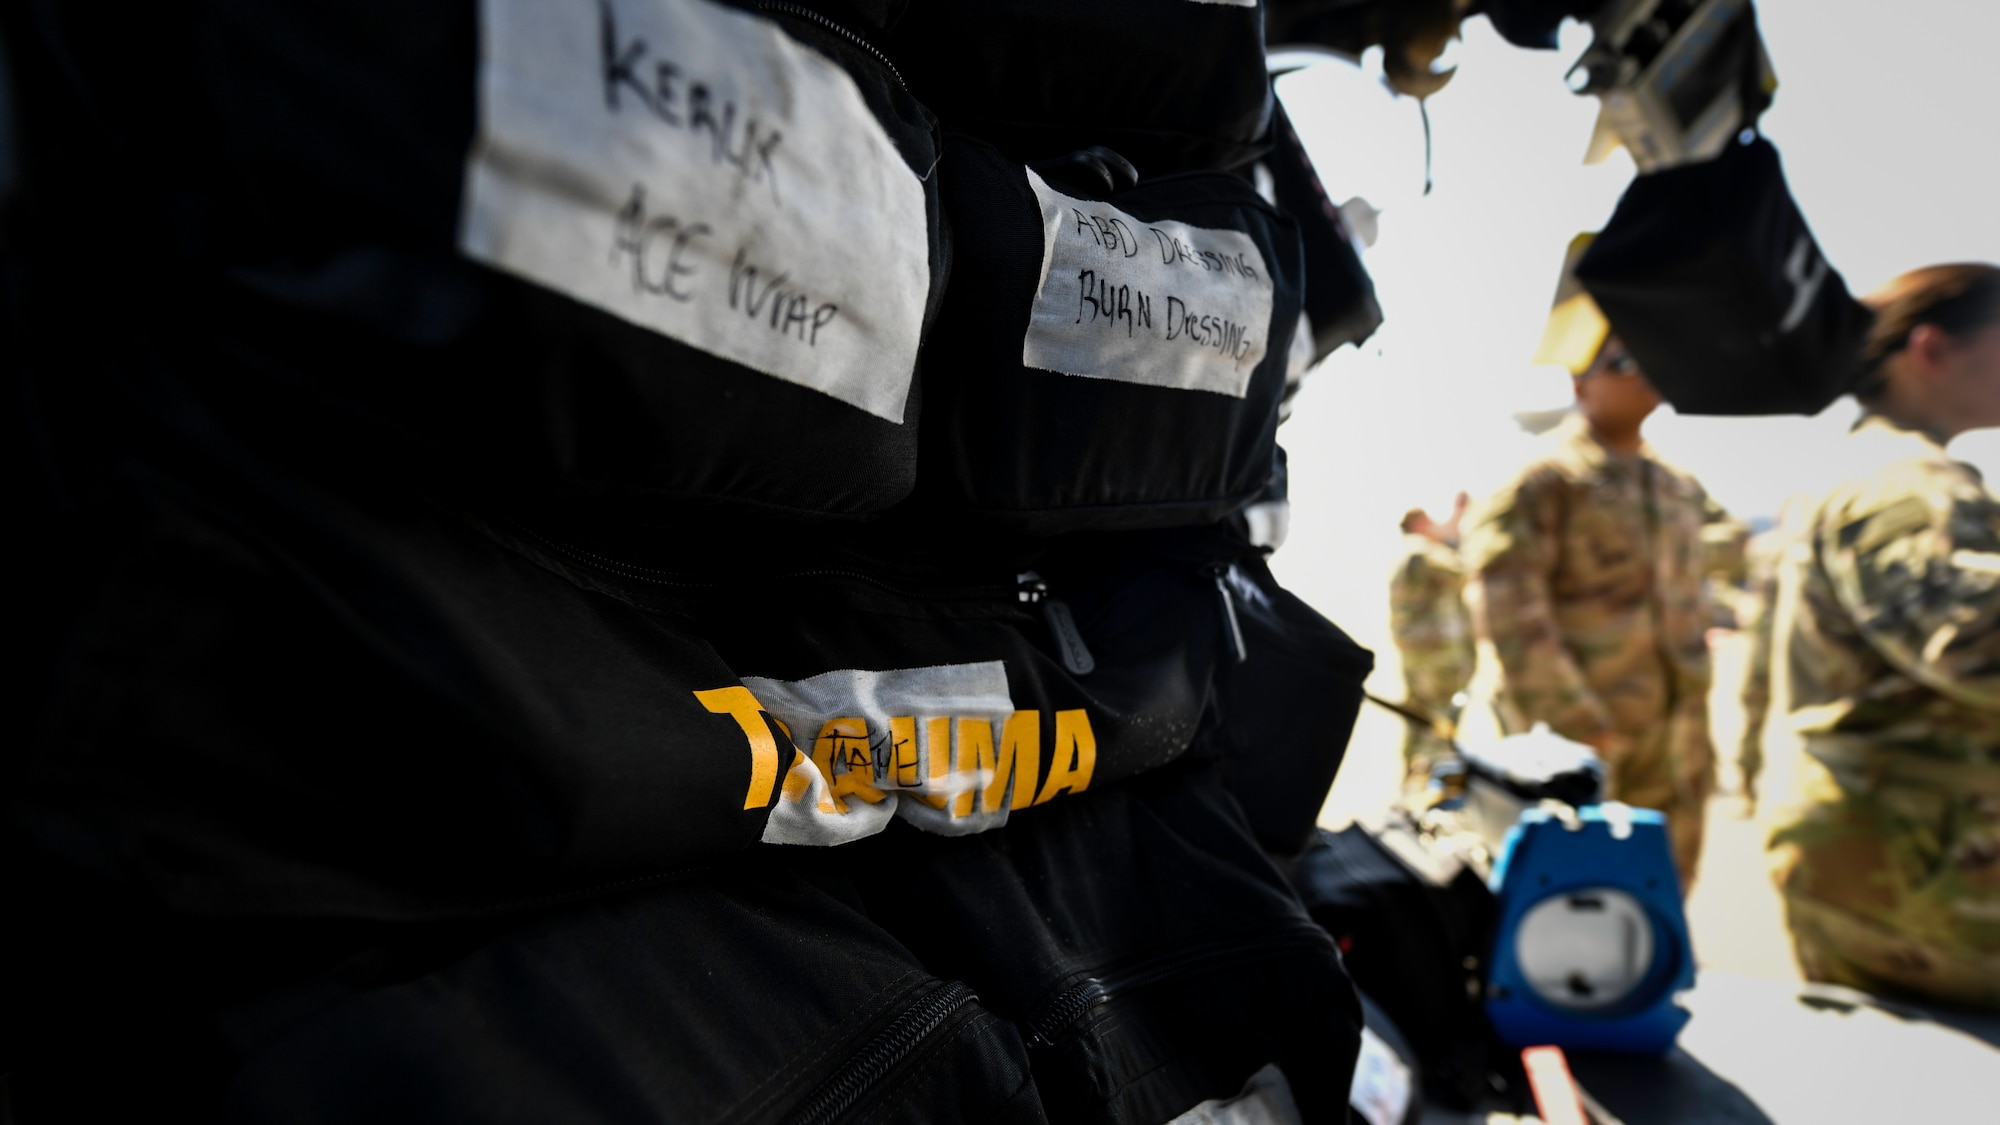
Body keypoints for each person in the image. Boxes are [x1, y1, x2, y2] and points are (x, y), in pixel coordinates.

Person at [1767, 262, 2000, 1010]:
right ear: (1931, 347)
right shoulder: (1906, 480)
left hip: (1899, 853)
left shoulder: (1878, 467)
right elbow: (1969, 638)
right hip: (1930, 865)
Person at [1462, 323, 1719, 893]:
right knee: (1576, 910)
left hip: (1675, 746)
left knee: (1662, 903)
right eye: (1622, 362)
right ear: (1579, 381)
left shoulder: (1675, 487)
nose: (1644, 372)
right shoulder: (1543, 482)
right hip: (1583, 749)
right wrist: (1577, 730)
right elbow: (1511, 622)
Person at [1389, 494, 1475, 776]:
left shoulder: (1408, 556)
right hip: (1437, 654)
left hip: (1416, 653)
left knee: (1416, 715)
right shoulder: (1424, 554)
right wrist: (1460, 531)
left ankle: (1409, 781)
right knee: (1441, 718)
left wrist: (1456, 519)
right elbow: (1465, 572)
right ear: (1420, 524)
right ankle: (1433, 780)